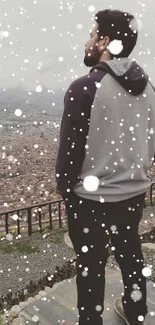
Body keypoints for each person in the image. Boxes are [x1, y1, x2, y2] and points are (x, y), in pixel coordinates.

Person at [55, 8, 155, 325]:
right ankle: (136, 310)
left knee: (90, 264)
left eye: (92, 34)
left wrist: (66, 189)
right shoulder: (150, 91)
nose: (88, 40)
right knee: (130, 253)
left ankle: (91, 321)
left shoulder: (84, 88)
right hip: (133, 192)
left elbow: (68, 156)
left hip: (89, 198)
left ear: (105, 42)